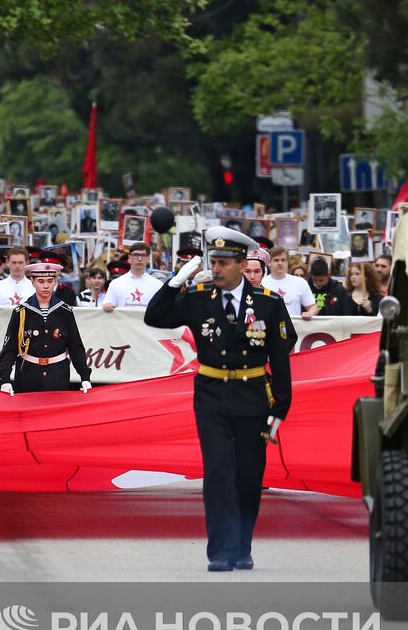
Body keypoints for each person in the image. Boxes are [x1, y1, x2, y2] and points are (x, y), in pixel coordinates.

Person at [143, 226, 293, 572]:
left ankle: (243, 545)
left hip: (254, 396)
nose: (218, 269)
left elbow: (281, 359)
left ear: (243, 264)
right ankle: (222, 550)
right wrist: (175, 280)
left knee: (249, 474)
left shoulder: (268, 304)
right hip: (211, 397)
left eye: (225, 262)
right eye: (215, 261)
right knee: (218, 471)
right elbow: (155, 317)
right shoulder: (197, 297)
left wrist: (281, 407)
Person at [0, 262, 91, 395]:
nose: (46, 286)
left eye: (50, 281)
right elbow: (10, 348)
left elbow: (75, 346)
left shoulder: (65, 311)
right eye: (40, 281)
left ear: (55, 282)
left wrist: (84, 376)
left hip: (57, 375)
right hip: (28, 374)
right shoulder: (22, 312)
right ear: (32, 282)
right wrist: (5, 379)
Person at [103, 242, 162, 310]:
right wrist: (107, 306)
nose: (139, 259)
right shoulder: (115, 283)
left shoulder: (158, 285)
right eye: (136, 255)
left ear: (148, 259)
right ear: (129, 258)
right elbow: (107, 307)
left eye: (143, 255)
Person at [263, 247, 317, 319]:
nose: (280, 263)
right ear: (269, 263)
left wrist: (310, 313)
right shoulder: (262, 283)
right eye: (276, 260)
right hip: (269, 328)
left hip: (294, 327)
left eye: (283, 260)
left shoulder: (300, 282)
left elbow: (312, 306)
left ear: (287, 262)